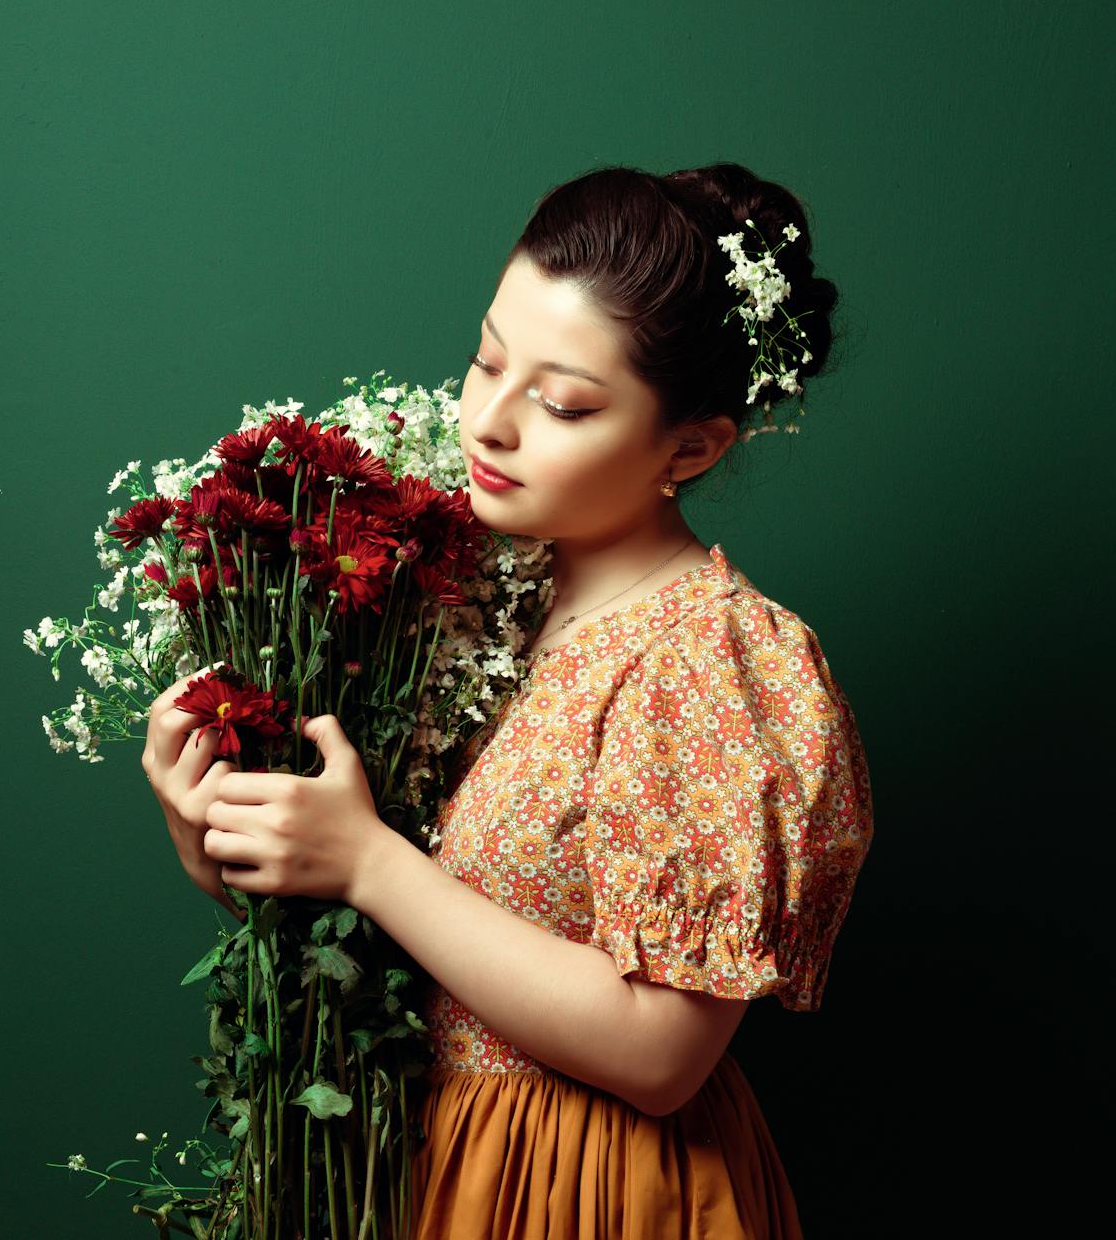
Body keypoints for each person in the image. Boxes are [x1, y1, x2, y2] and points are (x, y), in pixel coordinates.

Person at [142, 162, 874, 1238]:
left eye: (563, 403)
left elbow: (663, 1054)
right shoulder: (459, 587)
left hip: (589, 1188)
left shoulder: (706, 659)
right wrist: (219, 828)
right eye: (487, 359)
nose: (487, 420)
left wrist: (370, 861)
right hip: (412, 1164)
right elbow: (371, 941)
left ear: (692, 445)